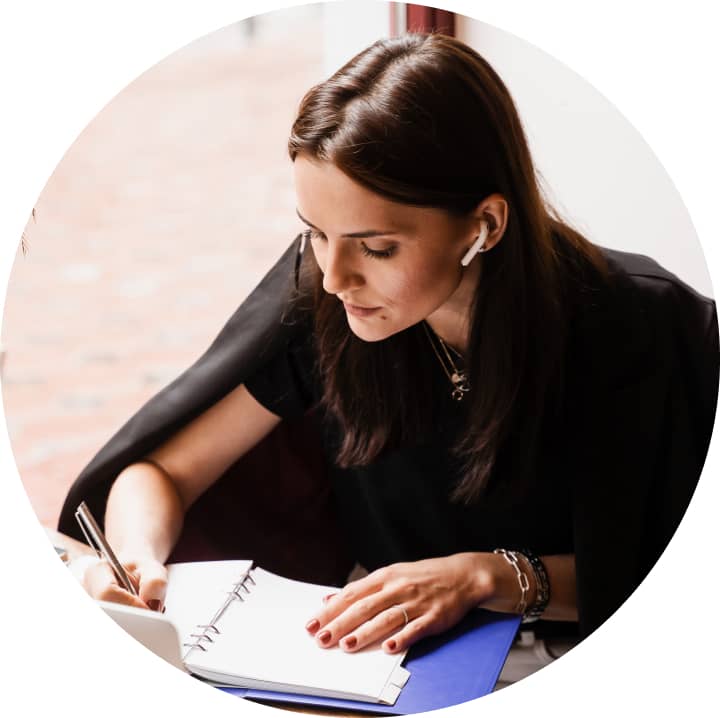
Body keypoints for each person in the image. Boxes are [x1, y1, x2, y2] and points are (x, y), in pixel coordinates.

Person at [60, 33, 717, 668]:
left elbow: (666, 569)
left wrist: (491, 577)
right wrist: (136, 559)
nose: (335, 278)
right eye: (316, 234)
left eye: (376, 248)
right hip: (380, 663)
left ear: (485, 225)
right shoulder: (325, 300)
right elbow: (162, 473)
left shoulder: (642, 325)